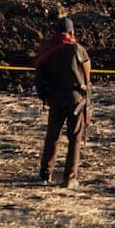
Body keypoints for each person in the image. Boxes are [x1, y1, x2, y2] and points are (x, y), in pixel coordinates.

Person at [35, 17, 91, 189]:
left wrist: (44, 96)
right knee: (74, 138)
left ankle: (45, 174)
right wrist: (87, 102)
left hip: (56, 100)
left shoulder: (48, 50)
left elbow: (39, 77)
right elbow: (87, 77)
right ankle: (70, 178)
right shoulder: (78, 50)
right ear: (72, 32)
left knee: (53, 136)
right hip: (76, 100)